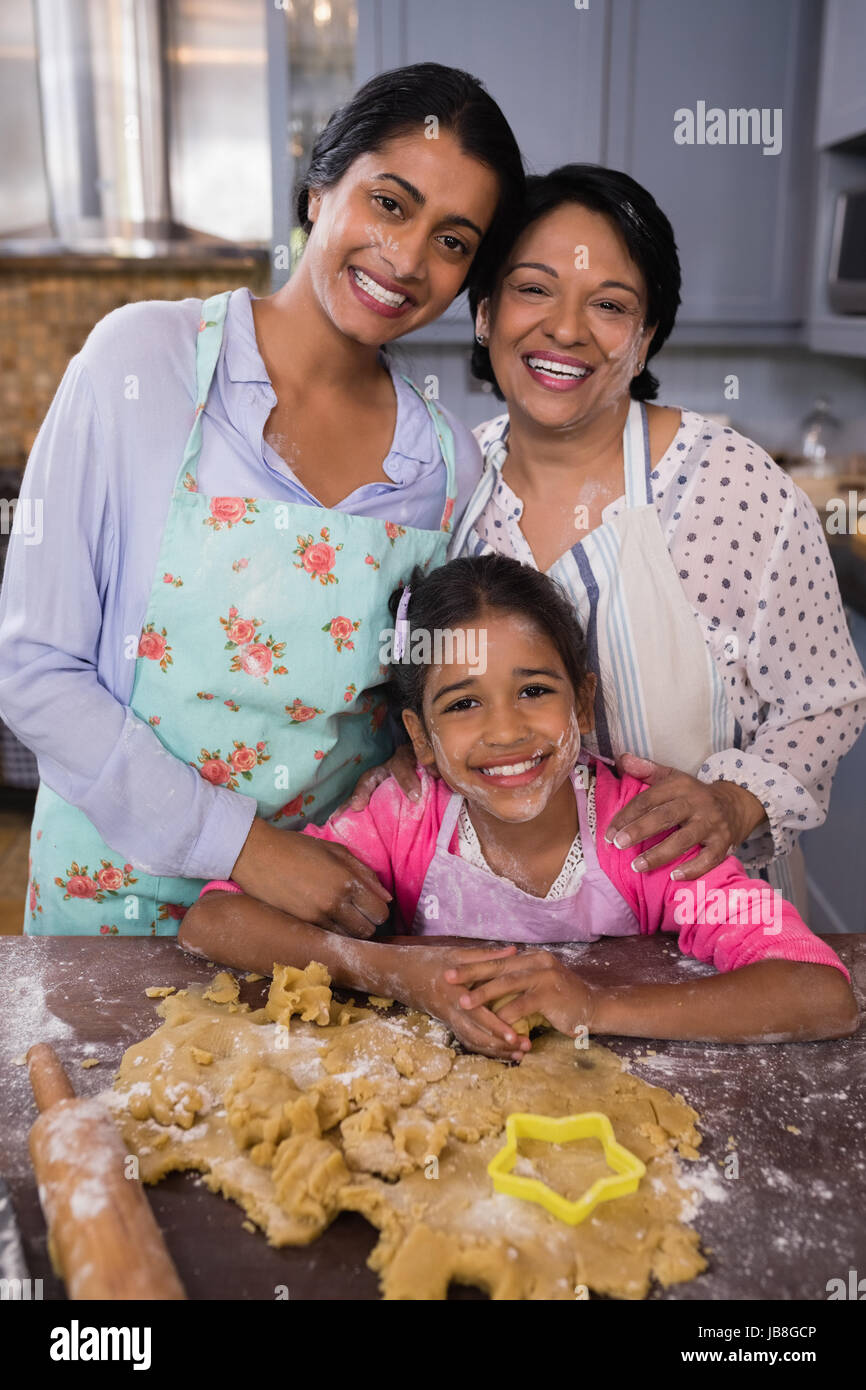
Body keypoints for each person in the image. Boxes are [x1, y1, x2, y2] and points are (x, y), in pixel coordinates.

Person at [0, 63, 525, 936]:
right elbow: (35, 672)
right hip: (110, 905)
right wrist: (246, 849)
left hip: (318, 928)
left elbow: (414, 720)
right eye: (390, 203)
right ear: (321, 187)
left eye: (453, 241)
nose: (406, 259)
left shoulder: (448, 467)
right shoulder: (144, 364)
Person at [351, 164, 866, 921]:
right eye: (533, 288)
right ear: (485, 311)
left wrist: (733, 801)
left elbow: (825, 702)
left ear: (647, 336)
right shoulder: (446, 493)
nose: (566, 328)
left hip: (713, 950)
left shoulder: (731, 486)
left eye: (611, 304)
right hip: (496, 954)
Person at [181, 555, 857, 1060]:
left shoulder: (649, 834)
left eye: (534, 690)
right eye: (464, 703)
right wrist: (396, 974)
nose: (506, 732)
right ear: (420, 738)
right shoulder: (402, 819)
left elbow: (818, 994)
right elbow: (213, 920)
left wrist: (595, 1003)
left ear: (583, 702)